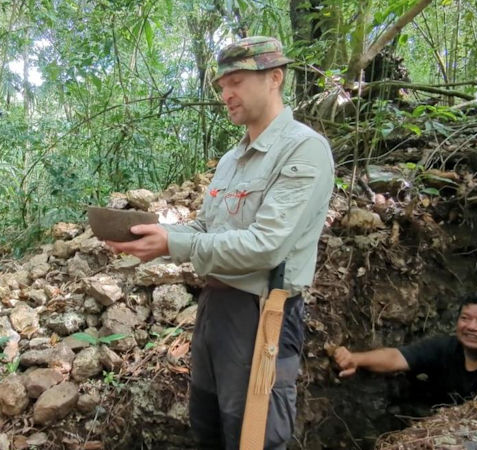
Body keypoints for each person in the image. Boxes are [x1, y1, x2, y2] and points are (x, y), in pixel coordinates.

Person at [107, 37, 334, 449]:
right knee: (208, 425)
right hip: (215, 309)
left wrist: (175, 247)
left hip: (262, 312)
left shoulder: (304, 149)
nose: (226, 94)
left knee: (254, 436)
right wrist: (157, 236)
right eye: (221, 86)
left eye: (237, 82)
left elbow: (266, 246)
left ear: (274, 78)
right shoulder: (232, 159)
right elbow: (206, 227)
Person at [333, 291, 477, 404]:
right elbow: (396, 357)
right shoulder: (444, 347)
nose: (471, 327)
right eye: (465, 318)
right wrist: (356, 359)